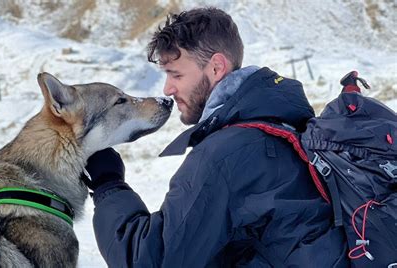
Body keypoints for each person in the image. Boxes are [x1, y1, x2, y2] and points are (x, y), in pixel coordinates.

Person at [83, 7, 348, 267]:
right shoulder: (287, 125)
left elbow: (150, 260)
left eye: (177, 74)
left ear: (216, 67)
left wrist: (109, 185)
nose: (168, 88)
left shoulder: (225, 154)